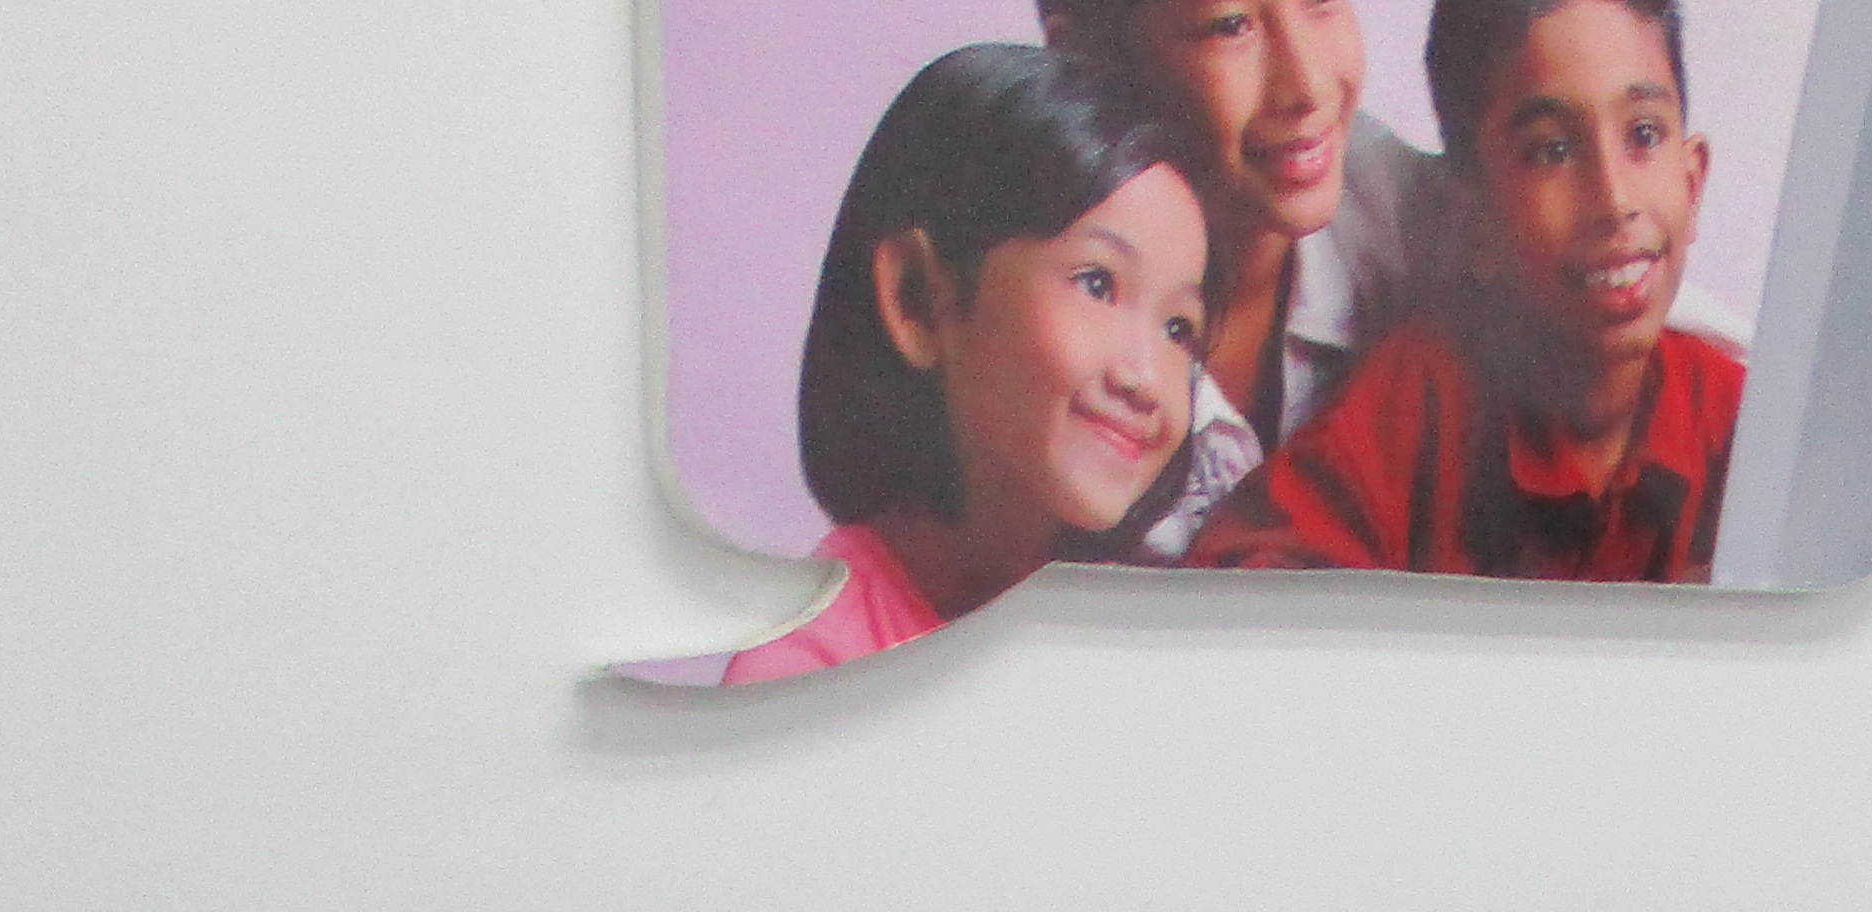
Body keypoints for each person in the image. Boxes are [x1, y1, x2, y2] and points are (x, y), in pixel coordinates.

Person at [1192, 0, 1739, 583]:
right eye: (1552, 151)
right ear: (1470, 219)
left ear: (1693, 181)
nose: (1615, 200)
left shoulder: (1742, 423)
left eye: (1644, 135)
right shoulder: (1420, 404)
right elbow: (1241, 580)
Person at [725, 47, 1207, 682]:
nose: (1145, 380)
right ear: (920, 300)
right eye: (1097, 284)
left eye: (1179, 329)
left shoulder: (1156, 647)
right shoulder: (806, 678)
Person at [1034, 0, 1448, 558]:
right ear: (1082, 56)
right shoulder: (1021, 304)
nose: (1307, 86)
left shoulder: (1429, 234)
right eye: (1231, 26)